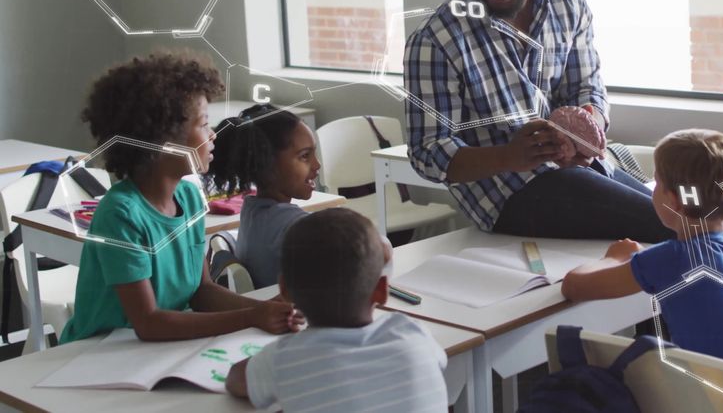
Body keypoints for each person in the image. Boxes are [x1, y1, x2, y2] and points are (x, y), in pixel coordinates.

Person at [405, 0, 671, 243]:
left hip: (584, 169)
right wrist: (510, 156)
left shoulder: (569, 6)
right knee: (668, 227)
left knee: (685, 221)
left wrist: (586, 126)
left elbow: (586, 89)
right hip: (507, 195)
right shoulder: (435, 41)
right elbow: (428, 153)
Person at [61, 52, 302, 344]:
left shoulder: (189, 197)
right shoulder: (120, 213)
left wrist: (266, 308)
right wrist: (252, 316)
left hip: (160, 348)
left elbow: (201, 291)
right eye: (203, 124)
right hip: (97, 354)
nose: (212, 135)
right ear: (164, 140)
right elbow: (149, 323)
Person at [562, 129, 723, 373]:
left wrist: (613, 258)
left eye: (657, 183)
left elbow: (574, 286)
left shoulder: (672, 259)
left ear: (674, 201)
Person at [226, 208, 448, 412]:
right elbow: (441, 361)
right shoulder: (412, 334)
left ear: (284, 291)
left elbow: (235, 379)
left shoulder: (285, 359)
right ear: (381, 290)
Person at [204, 104, 320, 289]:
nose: (317, 165)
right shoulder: (292, 225)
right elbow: (376, 251)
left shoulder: (252, 210)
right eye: (305, 156)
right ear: (267, 165)